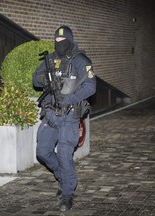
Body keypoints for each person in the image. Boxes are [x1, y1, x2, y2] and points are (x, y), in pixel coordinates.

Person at [32, 25, 96, 211]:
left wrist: (69, 99)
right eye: (56, 40)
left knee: (64, 155)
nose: (59, 43)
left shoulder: (80, 60)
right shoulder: (50, 59)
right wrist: (45, 78)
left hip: (69, 116)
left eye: (63, 40)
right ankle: (63, 177)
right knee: (42, 152)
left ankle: (67, 193)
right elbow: (35, 80)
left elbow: (90, 86)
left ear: (70, 40)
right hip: (51, 114)